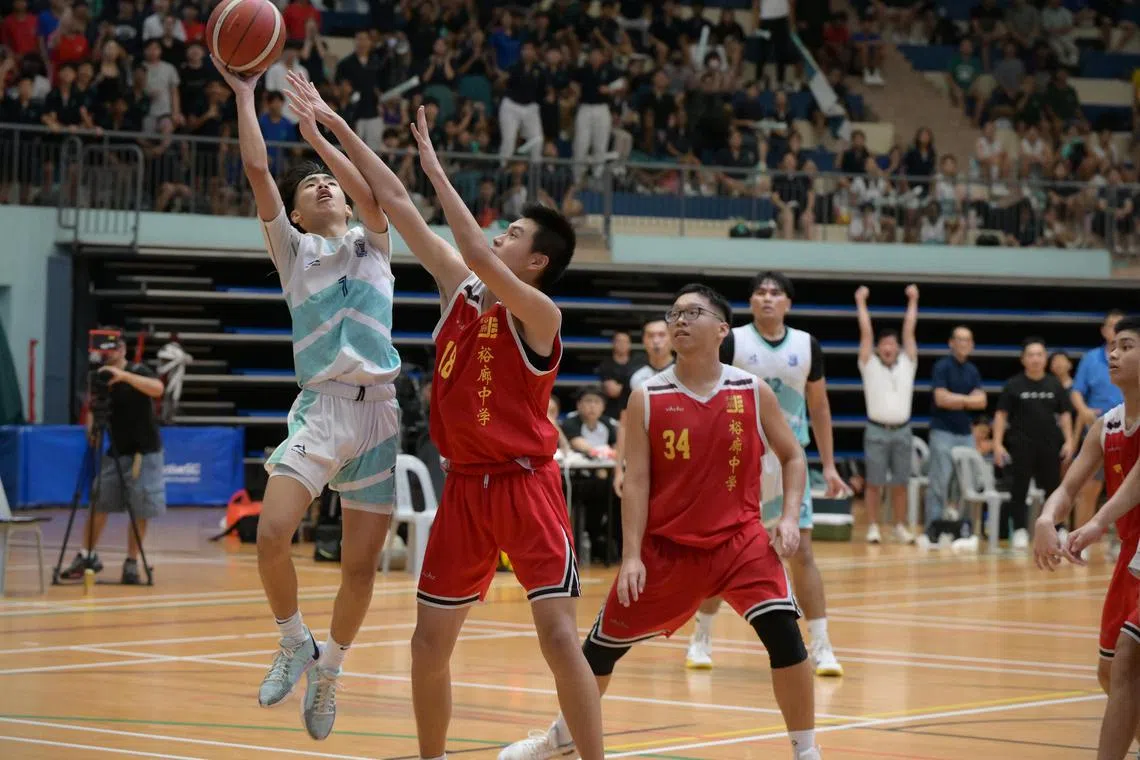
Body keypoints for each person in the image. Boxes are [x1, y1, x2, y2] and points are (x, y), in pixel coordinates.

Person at [285, 76, 605, 760]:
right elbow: (394, 203)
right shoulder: (458, 289)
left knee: (556, 637)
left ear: (537, 261)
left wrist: (436, 172)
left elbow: (477, 251)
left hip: (526, 485)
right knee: (428, 644)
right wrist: (332, 124)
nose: (498, 235)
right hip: (464, 488)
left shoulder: (541, 317)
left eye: (513, 233)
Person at [498, 284, 822, 760]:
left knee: (786, 638)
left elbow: (794, 456)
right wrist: (631, 557)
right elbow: (638, 483)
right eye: (674, 314)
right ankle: (561, 738)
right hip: (667, 549)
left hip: (741, 542)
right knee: (599, 651)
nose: (680, 321)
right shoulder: (646, 396)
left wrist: (790, 518)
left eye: (693, 312)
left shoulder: (750, 391)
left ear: (721, 330)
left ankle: (806, 752)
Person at [220, 63, 401, 740]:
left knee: (359, 568)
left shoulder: (375, 241)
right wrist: (245, 96)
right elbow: (258, 172)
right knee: (271, 534)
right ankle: (294, 639)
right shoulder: (294, 254)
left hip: (380, 415)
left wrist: (325, 133)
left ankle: (331, 670)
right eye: (310, 188)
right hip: (322, 409)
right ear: (296, 216)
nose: (322, 185)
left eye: (329, 183)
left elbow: (378, 189)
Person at [686, 271, 849, 675]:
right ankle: (702, 636)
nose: (768, 298)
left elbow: (820, 407)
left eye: (776, 293)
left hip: (790, 463)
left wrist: (828, 465)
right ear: (752, 301)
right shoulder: (735, 340)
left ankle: (822, 645)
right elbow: (707, 395)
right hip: (739, 463)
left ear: (788, 303)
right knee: (724, 554)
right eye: (761, 292)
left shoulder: (806, 345)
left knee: (803, 552)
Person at [1032, 316, 1140, 759]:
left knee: (1129, 661)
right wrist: (1046, 517)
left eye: (1127, 346)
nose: (1113, 354)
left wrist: (1097, 523)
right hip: (1131, 558)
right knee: (1109, 673)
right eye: (1112, 346)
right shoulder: (1106, 426)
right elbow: (1069, 485)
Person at [60, 330, 166, 585]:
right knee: (99, 501)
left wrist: (124, 377)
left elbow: (158, 389)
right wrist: (91, 429)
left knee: (139, 509)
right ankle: (87, 556)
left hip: (144, 452)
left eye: (114, 349)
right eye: (105, 351)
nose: (109, 354)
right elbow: (93, 406)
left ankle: (131, 562)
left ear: (123, 350)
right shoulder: (98, 376)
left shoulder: (138, 370)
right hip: (115, 450)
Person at [992, 337, 1073, 549]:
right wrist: (998, 444)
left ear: (1045, 358)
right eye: (1031, 355)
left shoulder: (1054, 384)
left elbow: (1065, 415)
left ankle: (1059, 528)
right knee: (1019, 489)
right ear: (1023, 359)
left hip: (1050, 445)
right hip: (1021, 446)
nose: (1035, 359)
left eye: (1039, 354)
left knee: (1054, 489)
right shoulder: (1014, 385)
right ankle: (1019, 529)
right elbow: (1001, 415)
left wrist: (1070, 440)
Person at [855, 284, 919, 544]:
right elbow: (866, 333)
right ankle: (873, 526)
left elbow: (910, 330)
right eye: (884, 344)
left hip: (903, 430)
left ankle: (900, 526)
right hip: (876, 429)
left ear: (899, 348)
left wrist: (913, 300)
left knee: (901, 483)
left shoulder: (908, 363)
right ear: (879, 348)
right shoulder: (868, 364)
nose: (888, 347)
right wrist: (861, 302)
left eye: (892, 344)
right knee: (874, 482)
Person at [922, 325, 987, 545]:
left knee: (964, 484)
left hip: (965, 435)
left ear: (972, 344)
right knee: (939, 482)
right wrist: (968, 399)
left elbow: (982, 401)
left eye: (967, 340)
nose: (963, 344)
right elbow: (940, 399)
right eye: (959, 339)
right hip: (943, 433)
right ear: (951, 343)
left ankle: (961, 527)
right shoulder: (942, 367)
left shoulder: (973, 370)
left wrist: (956, 399)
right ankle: (933, 527)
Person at [1070, 310, 1126, 541]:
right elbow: (1076, 392)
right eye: (1111, 326)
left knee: (1126, 491)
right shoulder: (1090, 359)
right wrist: (1083, 410)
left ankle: (1123, 541)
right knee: (1088, 489)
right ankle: (1078, 541)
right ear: (1103, 331)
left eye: (1119, 326)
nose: (1114, 330)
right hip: (1099, 432)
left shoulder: (1134, 357)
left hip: (1130, 430)